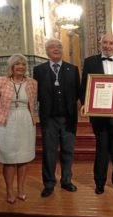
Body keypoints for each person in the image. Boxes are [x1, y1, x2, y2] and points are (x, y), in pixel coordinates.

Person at [80, 33, 113, 194]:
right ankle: (99, 182)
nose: (108, 45)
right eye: (105, 42)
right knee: (101, 148)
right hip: (98, 113)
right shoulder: (90, 62)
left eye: (111, 43)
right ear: (100, 43)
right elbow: (84, 85)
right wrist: (84, 104)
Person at [33, 38, 80, 197]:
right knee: (49, 152)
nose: (56, 49)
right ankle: (49, 183)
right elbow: (35, 95)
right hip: (49, 119)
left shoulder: (73, 69)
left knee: (68, 151)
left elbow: (80, 92)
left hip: (69, 118)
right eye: (52, 47)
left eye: (59, 46)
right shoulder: (38, 70)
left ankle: (66, 181)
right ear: (46, 51)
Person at [0, 53, 37, 204]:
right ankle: (9, 190)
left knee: (23, 158)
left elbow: (33, 103)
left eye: (23, 64)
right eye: (17, 64)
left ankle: (21, 189)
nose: (21, 67)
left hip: (25, 121)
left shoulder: (32, 83)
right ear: (11, 66)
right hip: (6, 122)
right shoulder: (0, 81)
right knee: (9, 159)